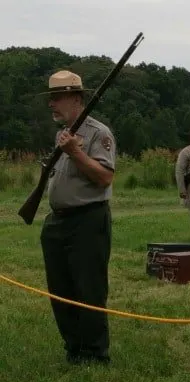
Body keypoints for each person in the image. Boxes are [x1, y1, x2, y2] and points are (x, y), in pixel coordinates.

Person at [37, 70, 116, 365]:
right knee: (60, 290)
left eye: (56, 98)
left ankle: (95, 354)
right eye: (50, 98)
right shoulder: (63, 133)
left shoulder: (98, 133)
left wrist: (75, 153)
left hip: (88, 219)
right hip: (58, 222)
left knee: (89, 289)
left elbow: (104, 177)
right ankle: (74, 349)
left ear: (76, 98)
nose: (51, 104)